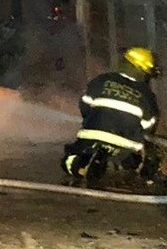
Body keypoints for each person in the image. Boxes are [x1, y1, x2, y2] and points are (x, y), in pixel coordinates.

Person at [62, 46, 160, 184]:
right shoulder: (147, 94)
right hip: (127, 144)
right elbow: (148, 124)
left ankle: (79, 165)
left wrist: (95, 119)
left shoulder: (101, 80)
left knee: (70, 158)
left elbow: (85, 105)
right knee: (134, 164)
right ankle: (127, 170)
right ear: (140, 70)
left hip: (92, 136)